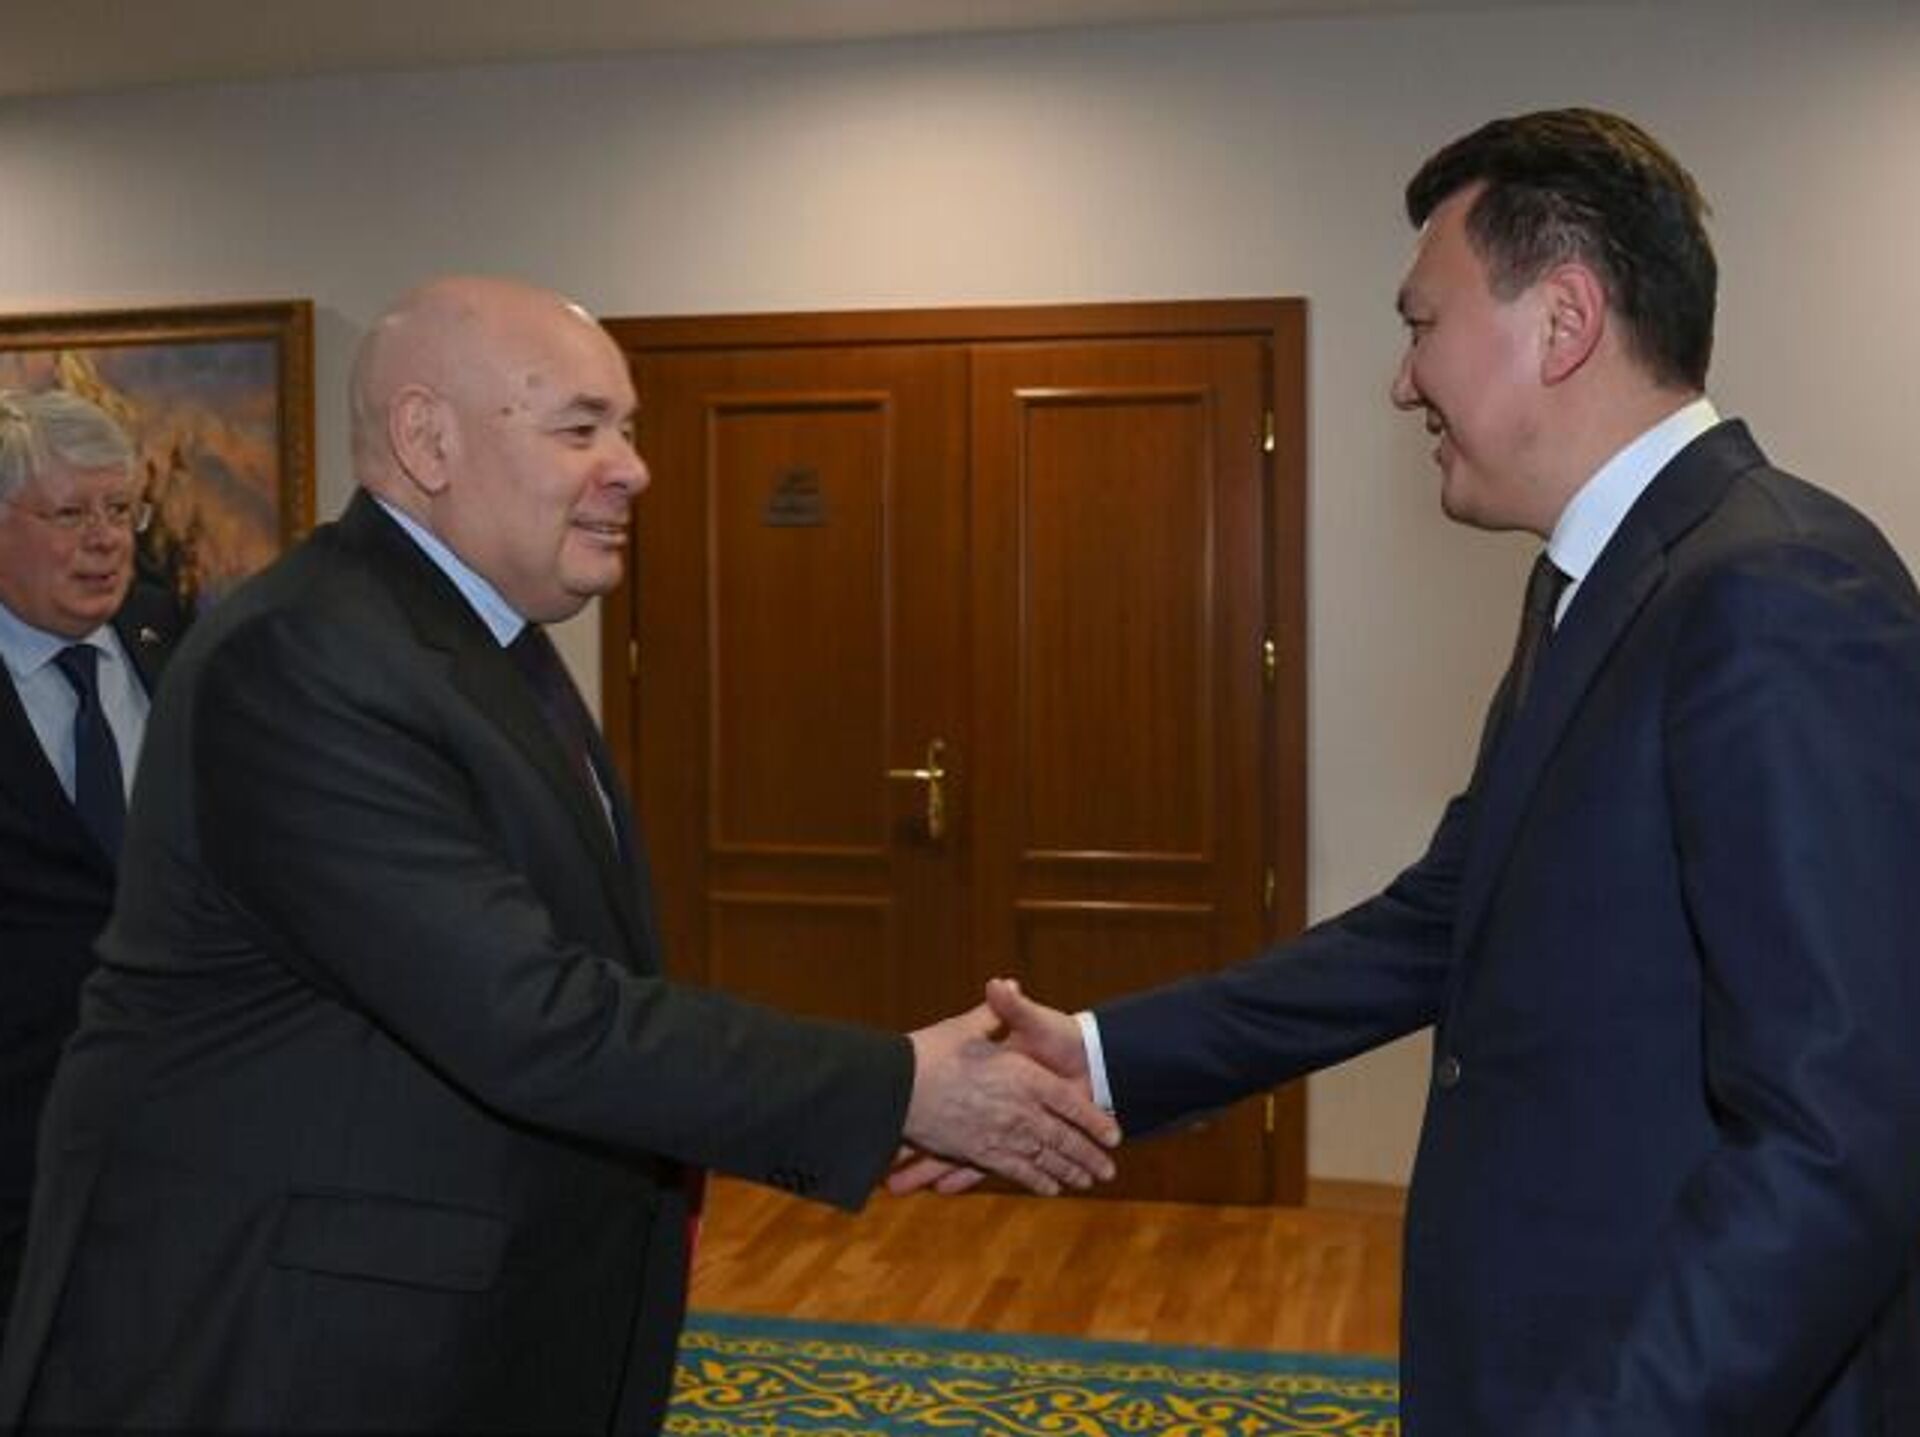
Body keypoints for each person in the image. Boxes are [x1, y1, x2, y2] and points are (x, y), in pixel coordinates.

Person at [904, 108, 1920, 1433]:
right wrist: (1101, 1058)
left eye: (1421, 323)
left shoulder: (1775, 589)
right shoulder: (1603, 584)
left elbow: (1840, 1137)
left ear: (1562, 321)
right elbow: (1439, 925)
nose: (1402, 381)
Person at [0, 276, 1120, 1433]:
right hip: (297, 1352)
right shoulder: (303, 658)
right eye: (581, 428)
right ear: (428, 439)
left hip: (461, 1320)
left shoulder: (478, 640)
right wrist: (900, 1088)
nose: (633, 468)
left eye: (626, 428)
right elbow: (527, 1012)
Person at [0, 389, 187, 1351]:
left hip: (178, 1127)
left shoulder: (171, 640)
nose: (105, 539)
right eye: (70, 512)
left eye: (120, 509)